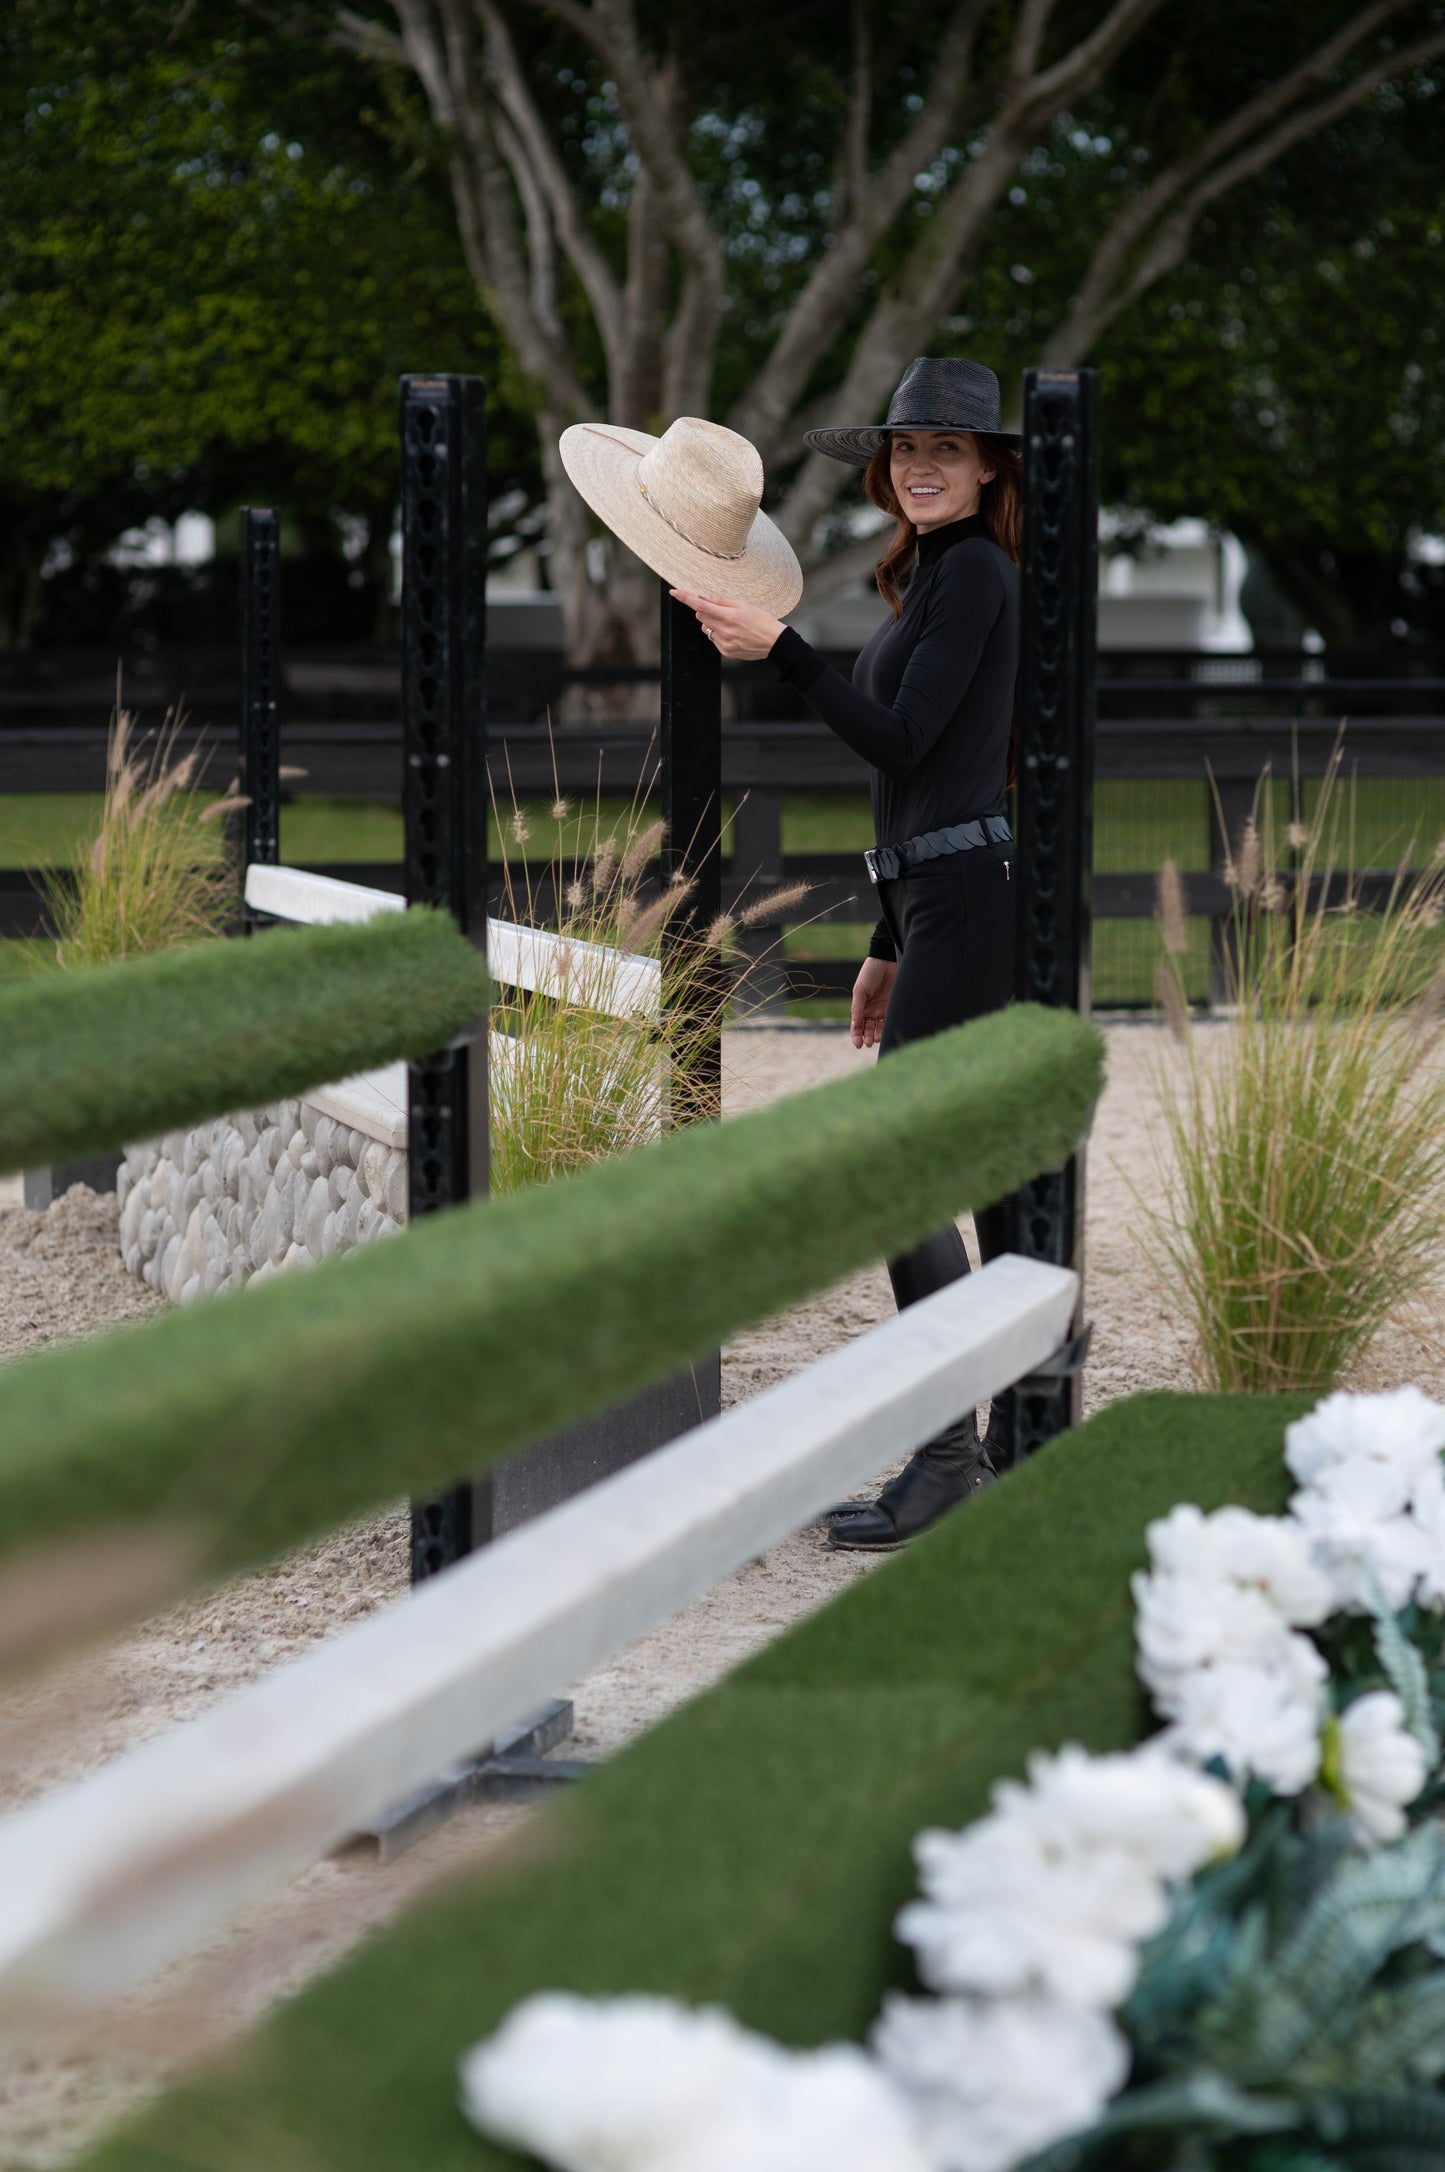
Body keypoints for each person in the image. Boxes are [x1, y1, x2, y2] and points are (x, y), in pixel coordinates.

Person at [672, 356, 1022, 1550]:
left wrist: (781, 649)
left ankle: (947, 1453)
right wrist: (884, 938)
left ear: (985, 466)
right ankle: (1016, 1437)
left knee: (899, 1170)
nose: (918, 467)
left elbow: (901, 734)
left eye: (944, 450)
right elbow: (925, 776)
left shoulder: (972, 571)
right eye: (903, 450)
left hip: (970, 900)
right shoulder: (931, 574)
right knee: (974, 1169)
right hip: (938, 900)